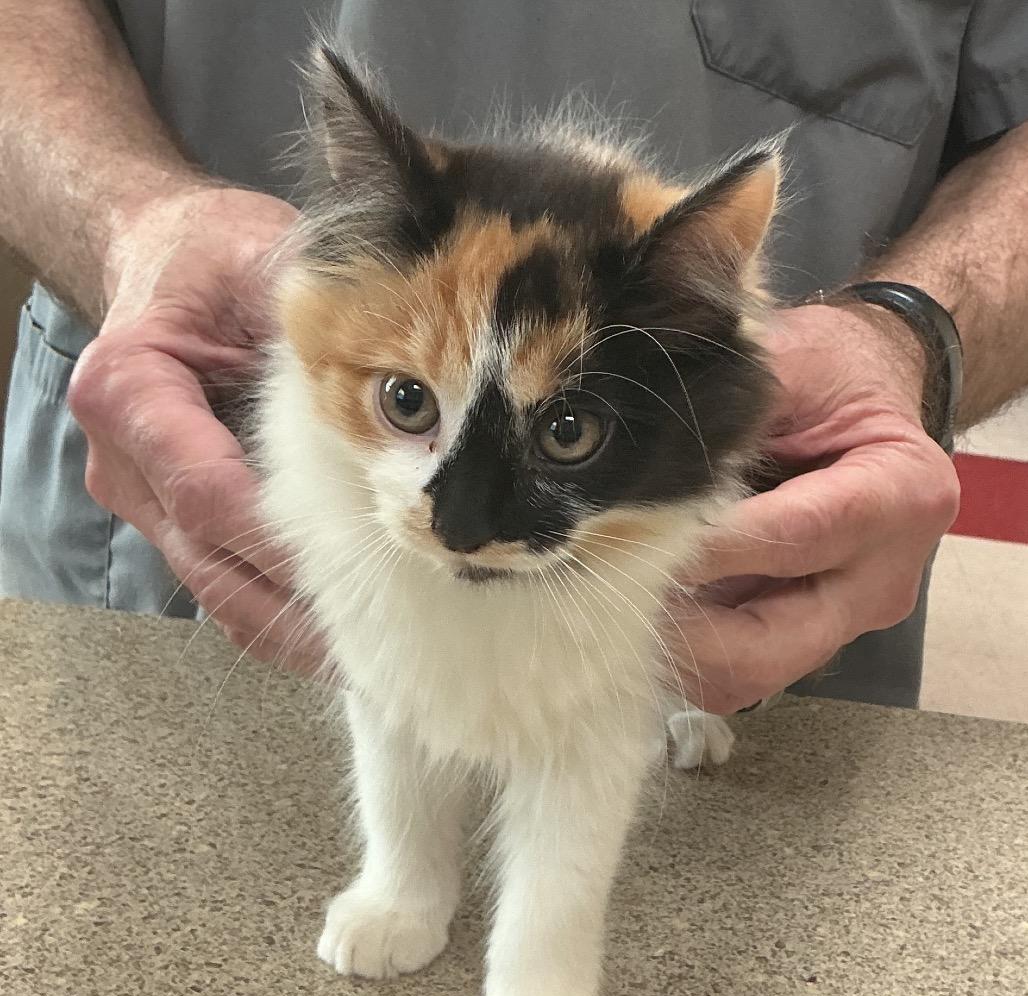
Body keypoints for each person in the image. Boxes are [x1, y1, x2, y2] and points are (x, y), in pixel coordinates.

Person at [1, 0, 1026, 714]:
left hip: (740, 610)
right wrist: (125, 220)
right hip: (173, 536)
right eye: (410, 400)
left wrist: (913, 332)